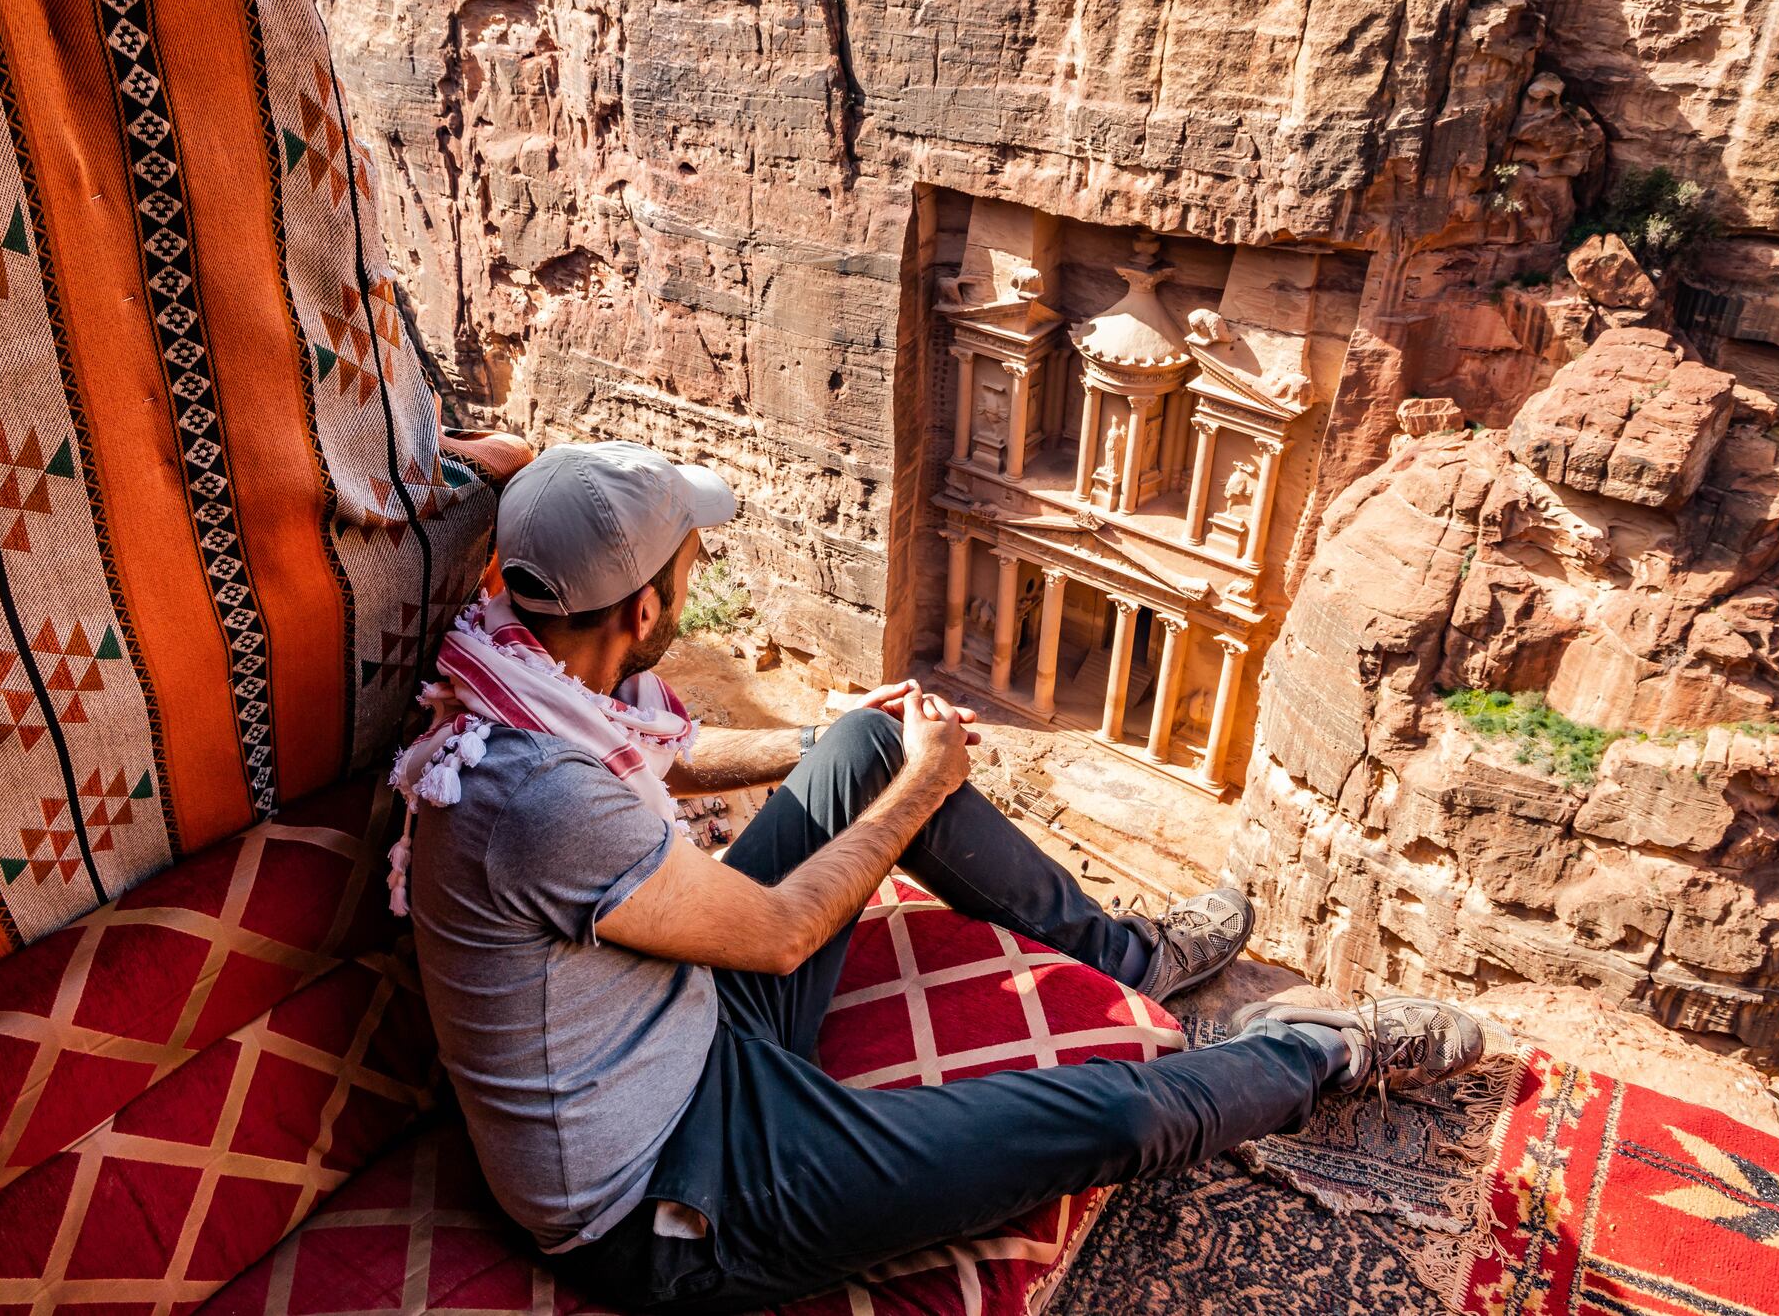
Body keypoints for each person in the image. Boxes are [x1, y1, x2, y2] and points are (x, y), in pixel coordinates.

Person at [395, 440, 1486, 1314]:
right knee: (1101, 1121)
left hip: (683, 1023)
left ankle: (1129, 958)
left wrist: (821, 741)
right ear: (642, 613)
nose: (696, 579)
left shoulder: (514, 662)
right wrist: (926, 784)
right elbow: (779, 933)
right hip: (671, 1189)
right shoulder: (541, 800)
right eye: (688, 568)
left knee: (862, 747)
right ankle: (1325, 1052)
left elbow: (658, 753)